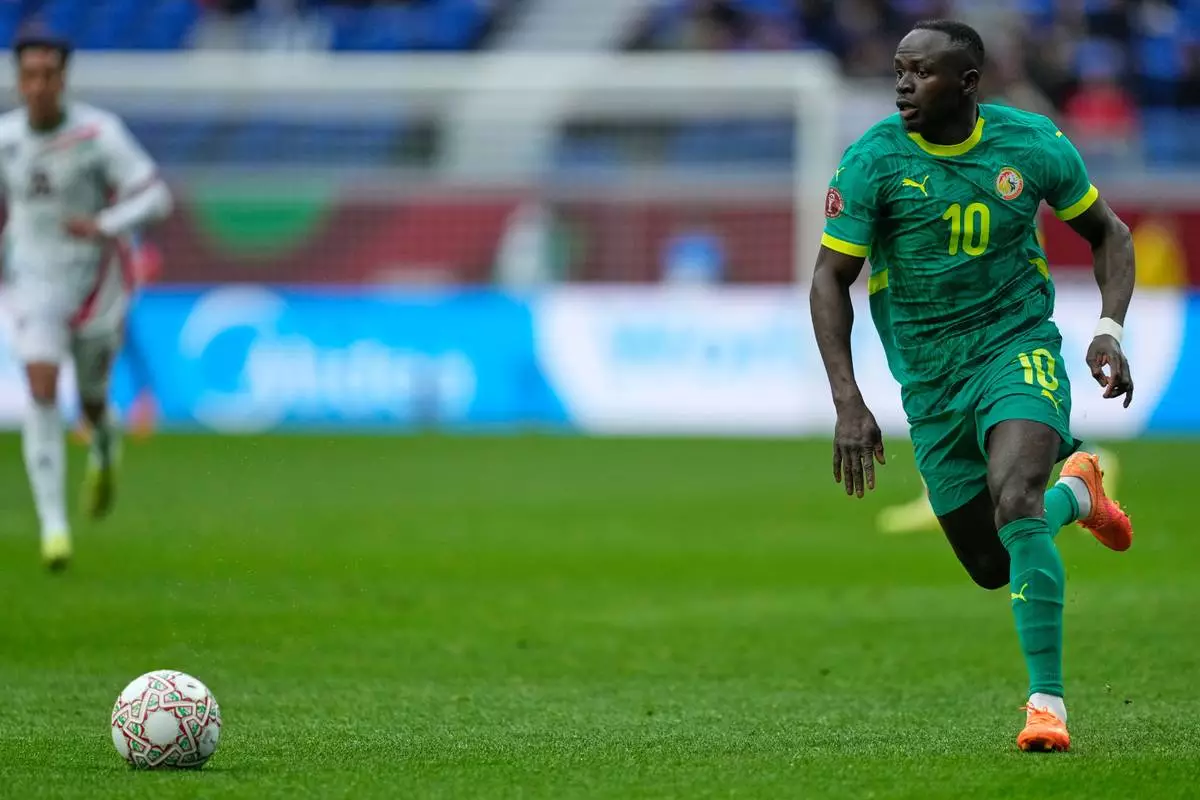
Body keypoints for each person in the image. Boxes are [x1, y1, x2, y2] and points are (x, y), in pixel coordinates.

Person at [809, 20, 1135, 753]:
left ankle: (1046, 706)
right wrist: (849, 401)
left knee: (1014, 497)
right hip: (929, 381)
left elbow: (1109, 232)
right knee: (993, 563)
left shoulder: (1031, 145)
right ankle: (1079, 493)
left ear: (966, 83)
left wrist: (1108, 327)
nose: (902, 85)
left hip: (1016, 347)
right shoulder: (873, 162)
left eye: (919, 73)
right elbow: (831, 278)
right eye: (898, 70)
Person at [0, 33, 173, 570]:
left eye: (48, 74)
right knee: (42, 384)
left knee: (93, 400)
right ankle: (54, 526)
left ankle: (103, 445)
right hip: (33, 279)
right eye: (29, 75)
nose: (39, 85)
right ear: (18, 80)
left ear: (64, 78)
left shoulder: (99, 134)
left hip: (96, 282)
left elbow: (157, 197)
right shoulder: (4, 139)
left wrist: (104, 224)